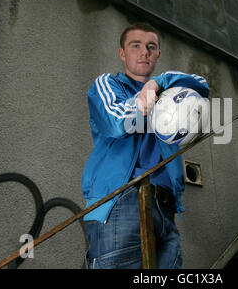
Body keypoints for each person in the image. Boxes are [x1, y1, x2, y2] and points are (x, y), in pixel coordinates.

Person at [81, 22, 210, 269]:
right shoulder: (107, 85)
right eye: (136, 45)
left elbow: (201, 85)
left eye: (151, 47)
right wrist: (147, 98)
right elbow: (117, 121)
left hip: (165, 207)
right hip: (121, 202)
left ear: (158, 55)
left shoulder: (168, 92)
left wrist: (157, 83)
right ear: (122, 53)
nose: (144, 52)